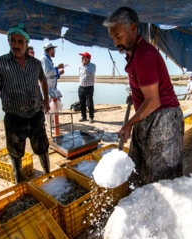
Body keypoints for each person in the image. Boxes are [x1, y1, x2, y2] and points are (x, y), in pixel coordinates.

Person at [104, 7, 184, 187]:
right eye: (113, 38)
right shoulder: (134, 55)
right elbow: (147, 89)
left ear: (133, 28)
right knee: (138, 170)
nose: (116, 43)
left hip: (163, 118)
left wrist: (128, 123)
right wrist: (135, 96)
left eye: (119, 36)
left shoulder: (143, 55)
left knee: (161, 179)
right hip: (149, 116)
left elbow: (154, 100)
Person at [0, 23, 51, 184]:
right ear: (8, 41)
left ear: (27, 44)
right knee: (15, 153)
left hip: (35, 114)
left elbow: (43, 81)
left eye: (20, 42)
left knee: (42, 147)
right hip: (14, 118)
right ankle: (19, 182)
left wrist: (46, 99)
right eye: (13, 41)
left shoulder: (35, 63)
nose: (16, 45)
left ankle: (48, 174)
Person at [40, 43, 65, 129]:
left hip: (52, 88)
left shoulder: (48, 60)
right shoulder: (44, 59)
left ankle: (53, 123)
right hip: (47, 88)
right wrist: (57, 69)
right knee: (48, 106)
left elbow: (51, 74)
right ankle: (49, 125)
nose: (54, 51)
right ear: (50, 50)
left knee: (55, 105)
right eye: (54, 50)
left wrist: (58, 73)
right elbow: (46, 73)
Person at [78, 52, 96, 123]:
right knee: (82, 103)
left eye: (84, 57)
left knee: (90, 103)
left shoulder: (93, 66)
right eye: (82, 57)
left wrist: (85, 66)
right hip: (81, 87)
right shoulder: (80, 66)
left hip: (89, 87)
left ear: (88, 58)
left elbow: (91, 74)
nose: (82, 58)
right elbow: (80, 75)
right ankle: (83, 116)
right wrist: (83, 65)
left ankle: (91, 117)